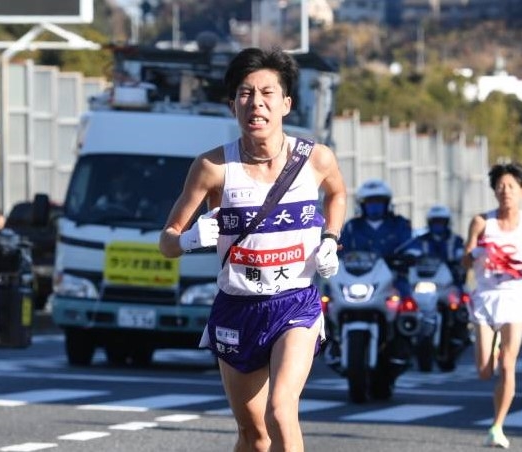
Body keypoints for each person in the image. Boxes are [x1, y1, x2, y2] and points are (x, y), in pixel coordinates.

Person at [159, 47, 346, 451]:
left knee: (281, 409)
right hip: (237, 306)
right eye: (245, 94)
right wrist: (190, 239)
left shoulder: (315, 159)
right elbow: (167, 242)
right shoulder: (213, 168)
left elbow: (338, 194)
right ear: (232, 105)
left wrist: (330, 238)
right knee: (253, 434)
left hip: (295, 302)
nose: (256, 103)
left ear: (286, 104)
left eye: (267, 93)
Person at [461, 162, 522, 448]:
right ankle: (495, 350)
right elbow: (465, 260)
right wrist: (480, 251)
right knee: (484, 371)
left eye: (511, 187)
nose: (505, 192)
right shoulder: (481, 222)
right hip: (486, 297)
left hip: (514, 297)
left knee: (508, 365)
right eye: (500, 186)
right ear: (494, 191)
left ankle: (497, 426)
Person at [339, 179, 412, 294]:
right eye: (370, 202)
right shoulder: (352, 226)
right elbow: (340, 250)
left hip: (393, 277)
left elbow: (412, 247)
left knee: (406, 303)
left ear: (387, 204)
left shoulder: (399, 224)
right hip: (356, 278)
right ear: (362, 205)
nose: (374, 205)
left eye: (379, 201)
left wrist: (408, 257)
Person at [399, 204, 466, 288]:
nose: (438, 224)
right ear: (429, 222)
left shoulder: (455, 240)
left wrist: (459, 258)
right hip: (424, 278)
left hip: (450, 280)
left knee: (463, 295)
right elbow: (412, 250)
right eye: (435, 222)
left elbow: (461, 253)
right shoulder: (421, 240)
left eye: (441, 222)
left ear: (447, 222)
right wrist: (409, 256)